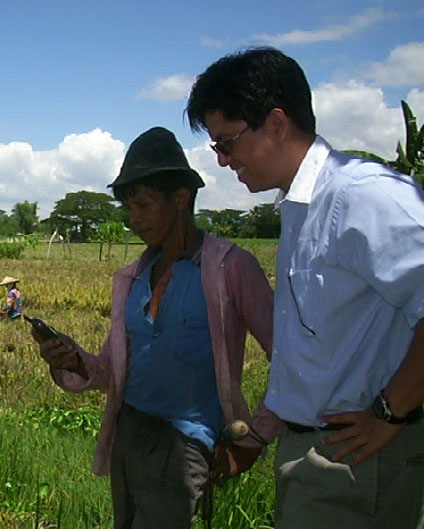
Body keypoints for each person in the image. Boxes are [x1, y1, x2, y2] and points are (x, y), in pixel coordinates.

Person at [186, 47, 424, 529]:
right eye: (216, 148)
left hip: (358, 464)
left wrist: (389, 413)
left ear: (276, 124)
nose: (223, 160)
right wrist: (258, 438)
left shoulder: (363, 196)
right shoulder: (298, 208)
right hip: (317, 458)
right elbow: (310, 356)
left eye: (227, 143)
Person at [31, 126, 281, 528]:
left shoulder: (230, 267)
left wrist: (255, 439)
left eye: (144, 205)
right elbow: (112, 370)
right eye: (129, 208)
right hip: (129, 436)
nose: (134, 220)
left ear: (181, 198)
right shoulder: (132, 277)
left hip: (186, 446)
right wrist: (73, 360)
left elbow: (288, 357)